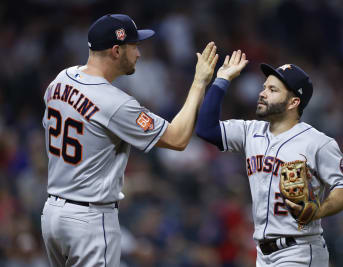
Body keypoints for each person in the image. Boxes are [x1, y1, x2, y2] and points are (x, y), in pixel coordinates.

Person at [41, 14, 218, 266]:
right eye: (134, 46)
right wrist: (199, 83)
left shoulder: (61, 79)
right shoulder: (114, 102)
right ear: (116, 51)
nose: (139, 54)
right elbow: (178, 138)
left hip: (52, 214)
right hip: (89, 219)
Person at [196, 50, 343, 266]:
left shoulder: (318, 143)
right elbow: (206, 129)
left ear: (293, 102)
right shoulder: (250, 131)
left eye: (273, 90)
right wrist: (222, 80)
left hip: (299, 251)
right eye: (264, 87)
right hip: (263, 254)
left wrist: (319, 210)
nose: (262, 93)